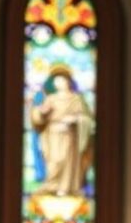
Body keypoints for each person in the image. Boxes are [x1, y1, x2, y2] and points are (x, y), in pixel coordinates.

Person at [30, 68, 94, 196]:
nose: (58, 83)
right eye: (56, 81)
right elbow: (37, 117)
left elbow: (88, 119)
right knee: (54, 161)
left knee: (66, 160)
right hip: (52, 135)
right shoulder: (51, 99)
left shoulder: (76, 99)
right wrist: (41, 113)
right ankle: (51, 185)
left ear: (68, 82)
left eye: (62, 80)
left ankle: (65, 188)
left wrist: (75, 119)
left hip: (69, 135)